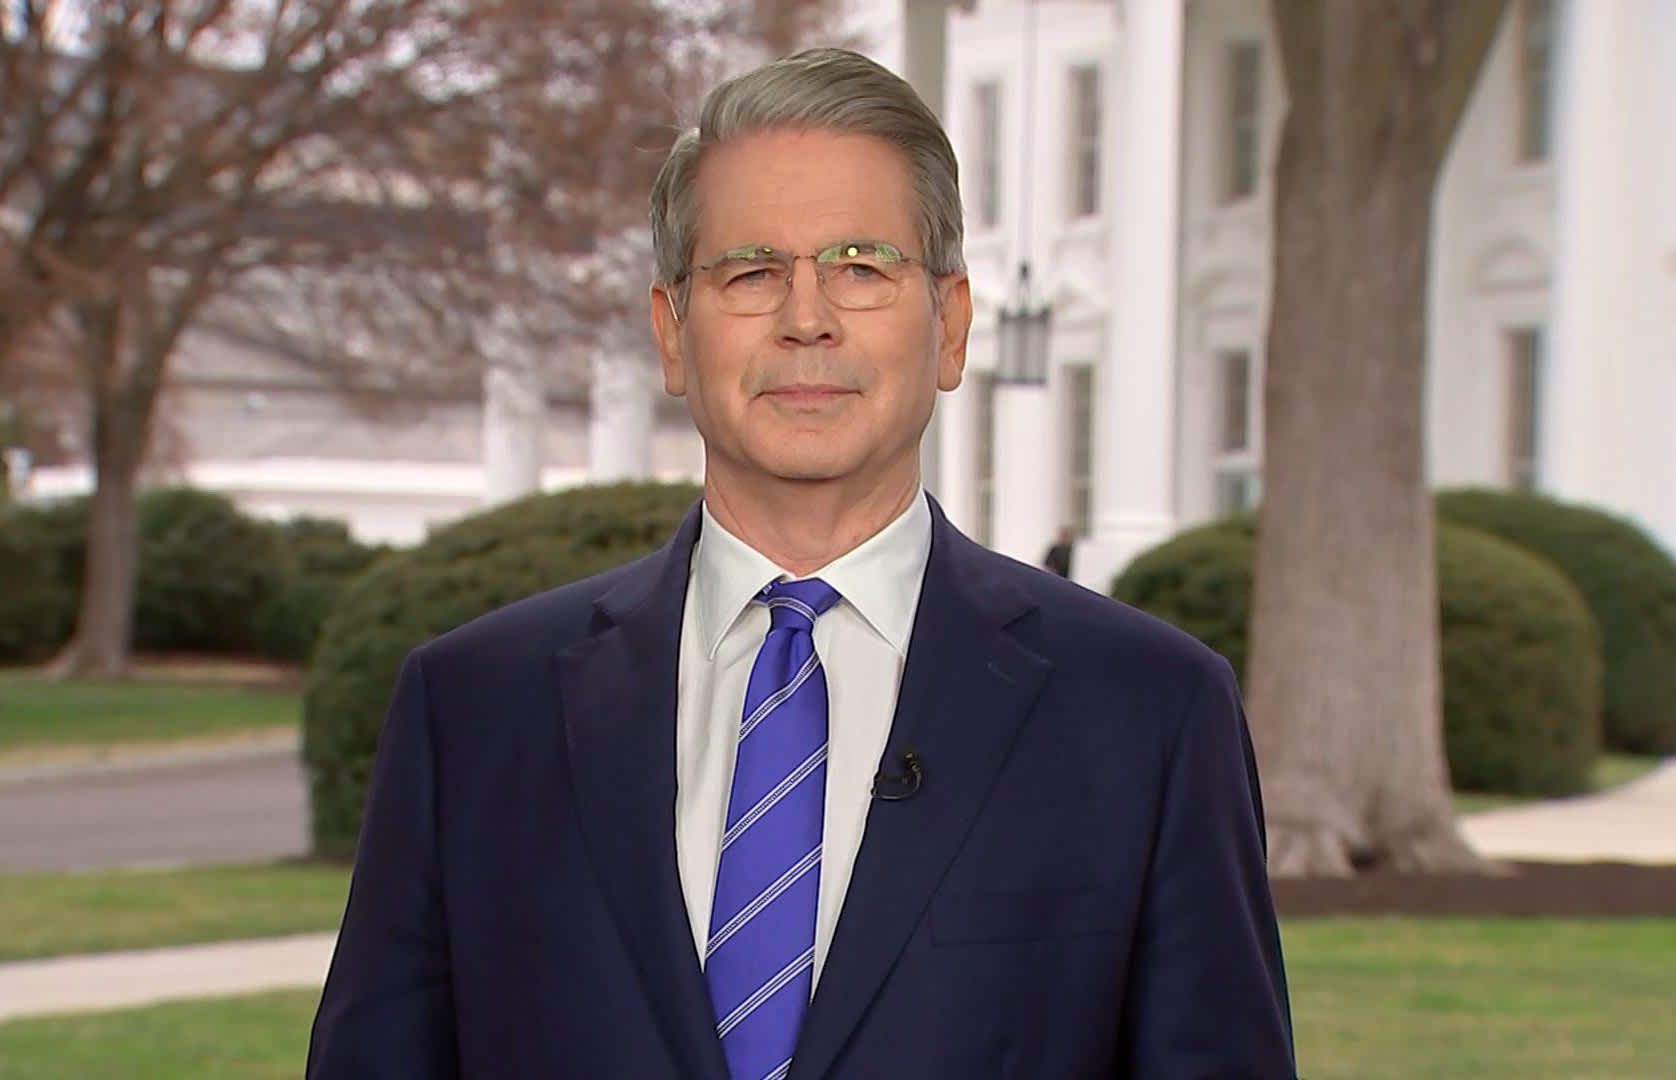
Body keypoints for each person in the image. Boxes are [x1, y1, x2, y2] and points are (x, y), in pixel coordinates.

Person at [306, 47, 1293, 1079]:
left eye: (861, 267)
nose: (806, 318)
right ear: (672, 334)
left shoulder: (1149, 715)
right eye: (751, 272)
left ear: (950, 327)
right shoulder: (472, 712)